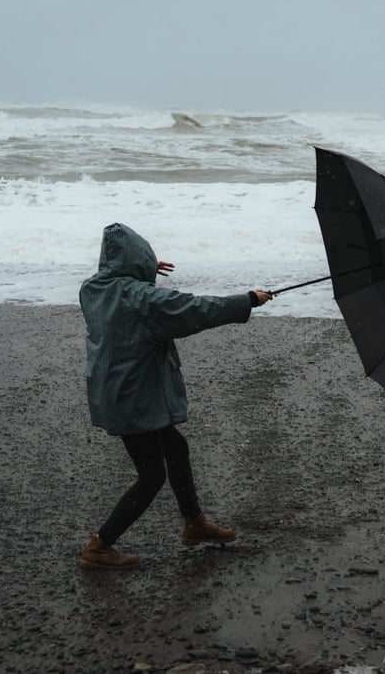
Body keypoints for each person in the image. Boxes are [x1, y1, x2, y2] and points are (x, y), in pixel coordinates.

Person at [77, 222, 273, 570]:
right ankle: (100, 546)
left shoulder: (93, 289)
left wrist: (142, 269)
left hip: (117, 390)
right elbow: (195, 309)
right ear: (135, 262)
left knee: (175, 447)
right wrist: (247, 301)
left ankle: (194, 524)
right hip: (134, 398)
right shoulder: (141, 298)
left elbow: (124, 285)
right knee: (151, 476)